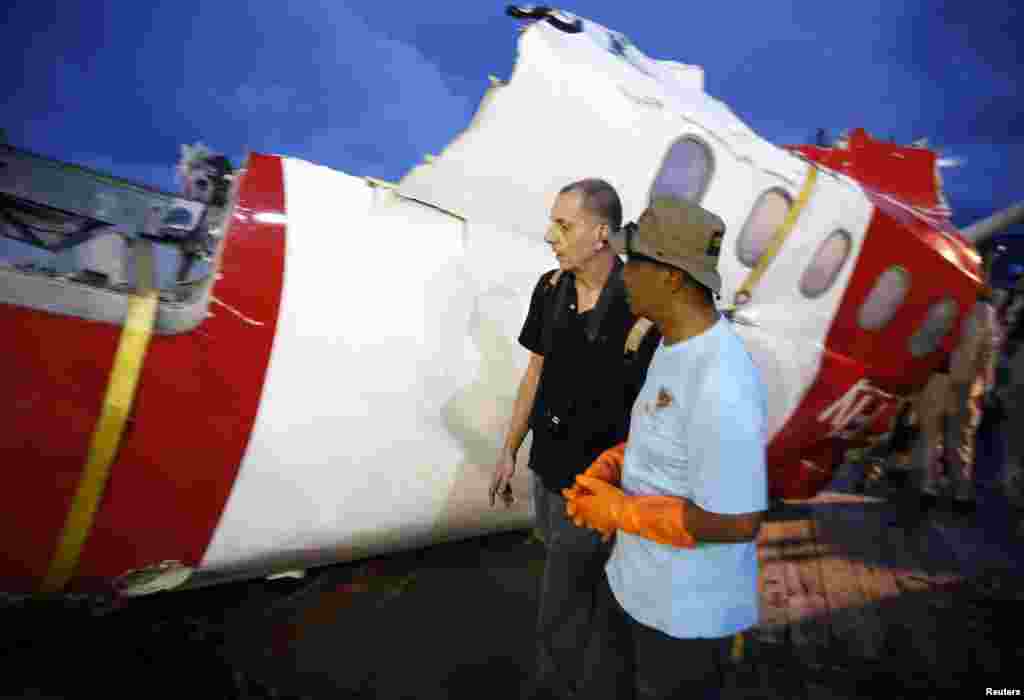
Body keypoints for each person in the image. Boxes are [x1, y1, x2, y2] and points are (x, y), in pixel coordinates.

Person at [565, 195, 768, 699]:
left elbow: (738, 522)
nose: (624, 274)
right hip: (635, 587)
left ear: (673, 277)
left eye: (634, 262)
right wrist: (615, 464)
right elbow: (673, 435)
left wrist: (620, 511)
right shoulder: (672, 342)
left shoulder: (722, 378)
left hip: (684, 618)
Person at [489, 179, 659, 700]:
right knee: (585, 594)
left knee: (559, 611)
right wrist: (509, 449)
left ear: (601, 233)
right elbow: (535, 373)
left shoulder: (645, 307)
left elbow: (660, 412)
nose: (550, 236)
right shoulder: (549, 289)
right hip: (548, 470)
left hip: (599, 488)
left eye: (563, 225)